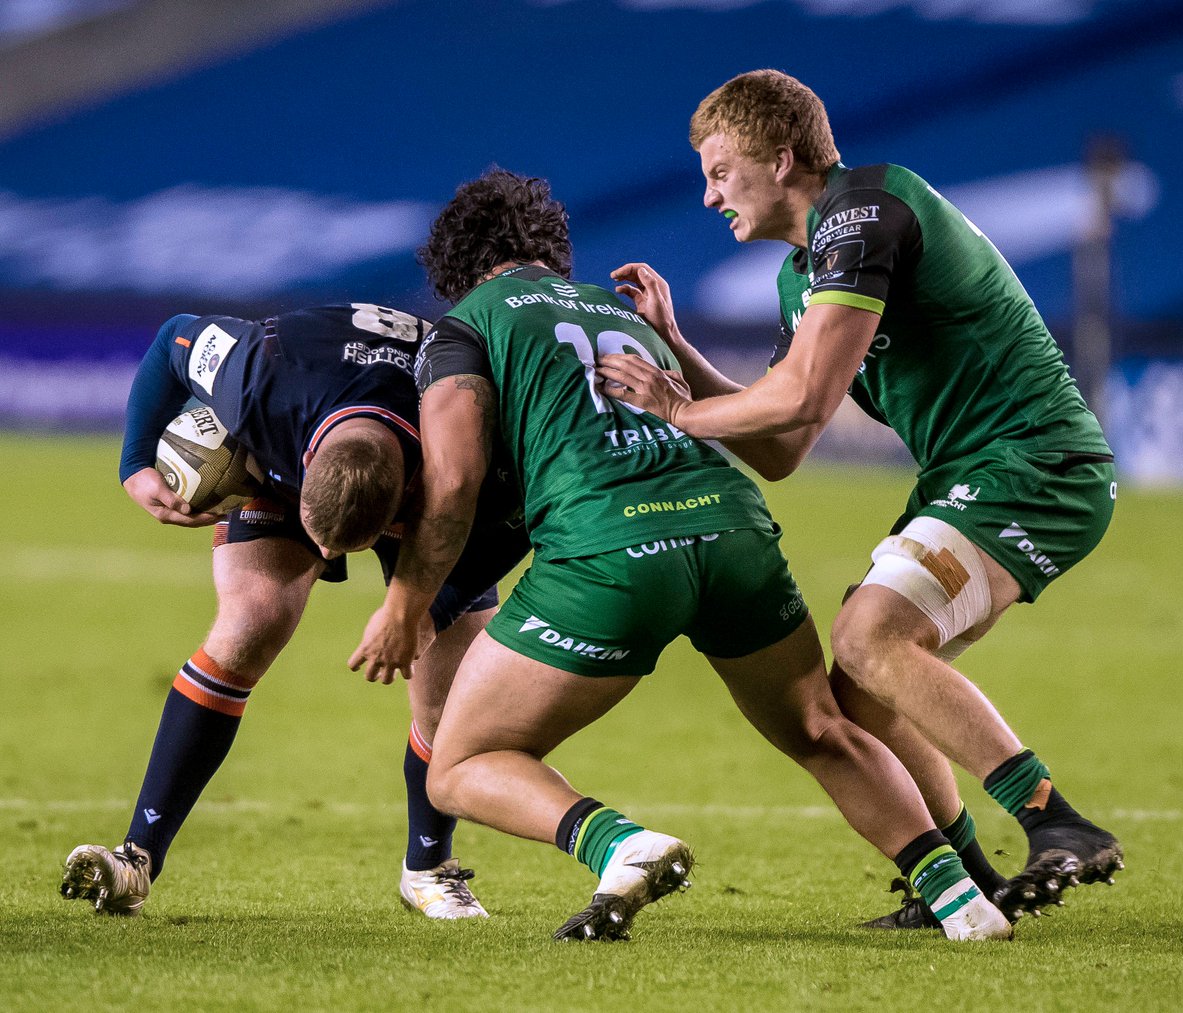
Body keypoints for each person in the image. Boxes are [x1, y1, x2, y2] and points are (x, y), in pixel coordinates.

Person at [377, 168, 1012, 942]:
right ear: (551, 248)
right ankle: (962, 900)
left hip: (610, 554)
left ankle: (620, 845)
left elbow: (457, 480)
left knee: (458, 763)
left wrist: (408, 600)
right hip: (734, 531)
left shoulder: (466, 326)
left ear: (455, 267)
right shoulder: (624, 315)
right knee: (820, 726)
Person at [595, 69, 1123, 928]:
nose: (706, 195)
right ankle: (969, 877)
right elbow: (782, 448)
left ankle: (1055, 819)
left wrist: (679, 409)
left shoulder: (869, 209)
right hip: (968, 474)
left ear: (783, 156)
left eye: (720, 171)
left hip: (1035, 461)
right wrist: (678, 349)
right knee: (857, 696)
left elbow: (800, 397)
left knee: (871, 634)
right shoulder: (799, 278)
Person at [59, 303, 528, 919]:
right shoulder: (256, 379)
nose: (330, 555)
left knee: (447, 693)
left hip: (424, 479)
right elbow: (174, 337)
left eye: (346, 548)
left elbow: (519, 527)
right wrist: (133, 463)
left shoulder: (465, 447)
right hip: (302, 424)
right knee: (252, 620)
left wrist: (425, 612)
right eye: (324, 538)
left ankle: (430, 867)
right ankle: (136, 859)